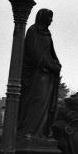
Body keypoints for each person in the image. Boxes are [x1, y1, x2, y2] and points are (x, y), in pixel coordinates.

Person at [18, 8, 61, 138]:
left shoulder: (47, 33)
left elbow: (50, 53)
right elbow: (34, 54)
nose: (51, 21)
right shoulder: (33, 31)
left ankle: (41, 132)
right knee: (37, 101)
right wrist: (50, 65)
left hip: (47, 75)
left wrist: (56, 64)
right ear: (43, 18)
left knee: (45, 104)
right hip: (36, 74)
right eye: (49, 18)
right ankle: (29, 131)